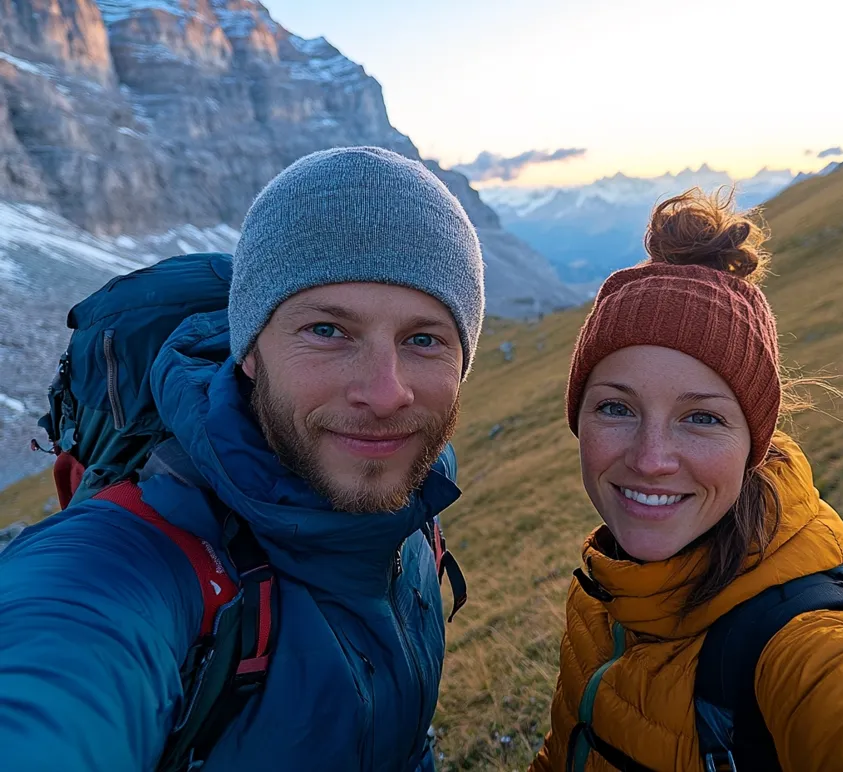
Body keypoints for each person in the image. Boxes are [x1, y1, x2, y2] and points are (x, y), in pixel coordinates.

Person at [0, 147, 484, 771]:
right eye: (327, 331)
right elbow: (54, 666)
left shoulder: (412, 506)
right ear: (249, 351)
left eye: (424, 339)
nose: (386, 392)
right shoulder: (134, 563)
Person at [529, 189, 843, 771]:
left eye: (702, 418)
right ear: (578, 418)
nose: (652, 459)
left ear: (753, 447)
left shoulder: (794, 638)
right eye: (616, 408)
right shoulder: (603, 586)